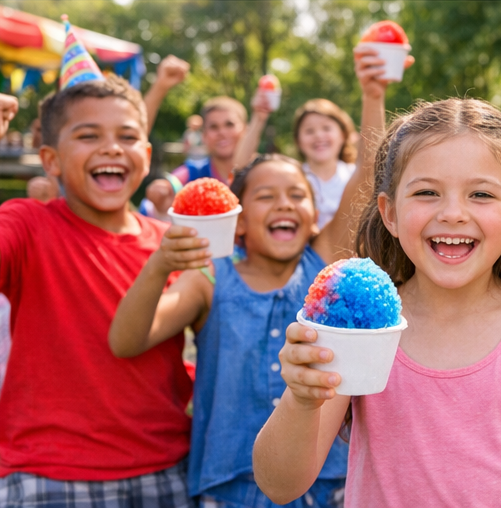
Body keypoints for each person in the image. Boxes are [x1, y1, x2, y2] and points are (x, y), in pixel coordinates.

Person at [252, 98, 501, 507]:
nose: (452, 213)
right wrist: (301, 398)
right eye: (427, 192)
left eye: (480, 194)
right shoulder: (360, 330)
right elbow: (280, 484)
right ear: (389, 213)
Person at [108, 46, 396, 508]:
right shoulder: (209, 279)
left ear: (313, 210)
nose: (285, 204)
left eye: (297, 195)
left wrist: (372, 93)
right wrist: (161, 264)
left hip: (326, 485)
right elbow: (127, 340)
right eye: (267, 196)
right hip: (230, 488)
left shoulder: (322, 261)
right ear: (238, 221)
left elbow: (368, 172)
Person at [0, 80, 193, 506]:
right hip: (49, 473)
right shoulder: (29, 223)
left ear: (147, 155)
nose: (112, 148)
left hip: (163, 468)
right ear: (51, 160)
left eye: (127, 136)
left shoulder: (171, 243)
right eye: (88, 135)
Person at [234, 95, 359, 229]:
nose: (318, 135)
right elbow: (240, 169)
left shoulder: (356, 175)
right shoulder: (293, 178)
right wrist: (258, 119)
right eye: (309, 131)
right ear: (298, 141)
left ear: (343, 134)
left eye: (326, 128)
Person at [141, 96, 249, 220]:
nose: (222, 132)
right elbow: (152, 205)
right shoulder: (190, 174)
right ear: (203, 135)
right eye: (214, 127)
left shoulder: (260, 174)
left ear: (245, 129)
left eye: (229, 125)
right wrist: (159, 201)